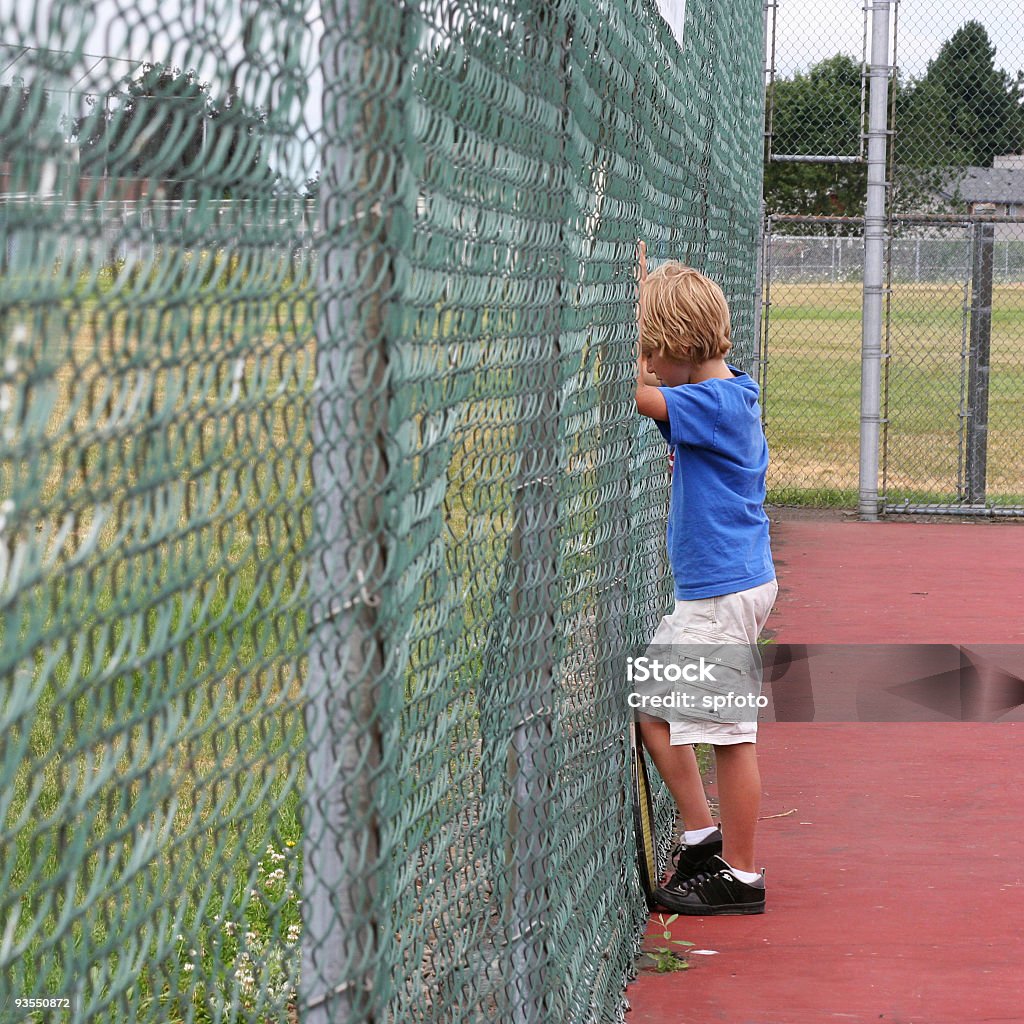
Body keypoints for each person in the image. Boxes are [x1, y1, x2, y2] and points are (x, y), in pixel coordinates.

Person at [633, 242, 777, 915]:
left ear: (678, 347)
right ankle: (702, 836)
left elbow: (642, 397)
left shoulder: (716, 402)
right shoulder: (719, 392)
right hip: (715, 588)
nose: (648, 360)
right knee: (653, 708)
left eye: (652, 347)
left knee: (728, 735)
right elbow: (662, 395)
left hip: (721, 591)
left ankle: (742, 876)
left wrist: (626, 353)